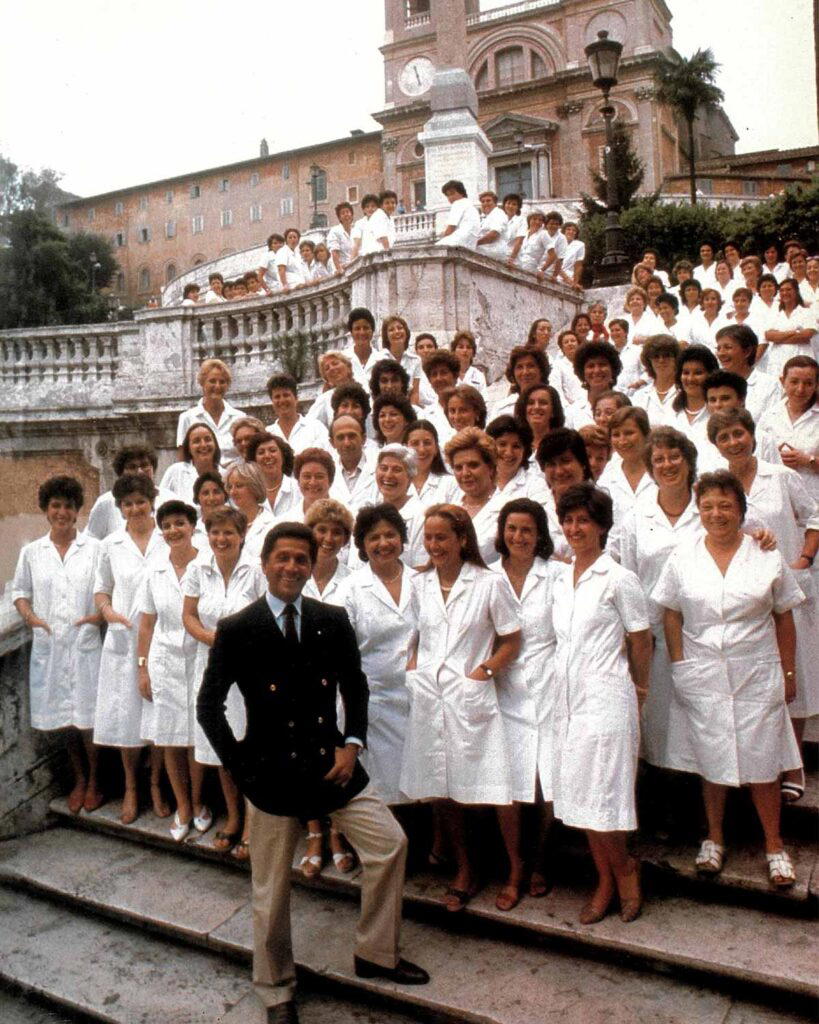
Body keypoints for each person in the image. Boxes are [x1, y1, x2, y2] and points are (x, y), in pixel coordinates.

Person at [198, 522, 428, 1018]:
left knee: (390, 844)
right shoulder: (238, 628)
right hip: (271, 777)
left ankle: (375, 953)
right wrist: (240, 768)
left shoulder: (332, 617)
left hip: (333, 768)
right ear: (264, 563)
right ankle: (276, 988)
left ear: (312, 564)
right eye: (282, 558)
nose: (291, 567)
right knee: (270, 888)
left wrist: (352, 743)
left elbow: (356, 686)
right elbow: (209, 706)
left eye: (301, 559)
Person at [654, 471, 804, 889]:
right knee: (711, 755)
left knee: (763, 760)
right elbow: (671, 613)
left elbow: (785, 615)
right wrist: (681, 665)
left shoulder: (764, 552)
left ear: (740, 509)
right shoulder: (683, 555)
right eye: (707, 506)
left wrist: (789, 672)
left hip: (756, 668)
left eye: (725, 505)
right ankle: (714, 838)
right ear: (698, 510)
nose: (716, 513)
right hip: (702, 670)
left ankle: (775, 845)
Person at [401, 504, 521, 911]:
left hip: (472, 696)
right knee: (443, 789)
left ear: (462, 540)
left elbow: (511, 638)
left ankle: (514, 869)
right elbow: (415, 633)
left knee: (489, 788)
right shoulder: (418, 584)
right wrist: (414, 665)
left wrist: (485, 670)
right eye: (429, 538)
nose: (434, 546)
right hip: (431, 697)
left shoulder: (490, 583)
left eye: (442, 538)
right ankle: (465, 870)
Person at [552, 483, 652, 923]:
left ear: (602, 527)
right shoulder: (560, 576)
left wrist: (641, 691)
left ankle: (626, 876)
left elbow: (641, 640)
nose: (575, 528)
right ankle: (605, 880)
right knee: (584, 797)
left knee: (607, 795)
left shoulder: (620, 579)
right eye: (569, 520)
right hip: (567, 699)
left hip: (609, 697)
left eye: (584, 521)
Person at [710, 408, 819, 798]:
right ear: (716, 445)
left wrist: (804, 558)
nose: (733, 442)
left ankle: (795, 765)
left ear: (752, 435)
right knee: (762, 674)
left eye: (739, 434)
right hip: (747, 594)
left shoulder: (782, 476)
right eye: (724, 438)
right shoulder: (718, 487)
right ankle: (764, 761)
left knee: (798, 674)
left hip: (791, 584)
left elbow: (815, 516)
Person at [13, 475, 103, 815]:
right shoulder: (32, 552)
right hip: (51, 645)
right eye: (56, 506)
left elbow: (104, 590)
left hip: (84, 644)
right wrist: (31, 617)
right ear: (46, 510)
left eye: (68, 506)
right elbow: (20, 592)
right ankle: (79, 778)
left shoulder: (94, 549)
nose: (62, 512)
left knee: (87, 718)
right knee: (64, 721)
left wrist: (97, 616)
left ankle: (94, 780)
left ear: (77, 511)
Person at [182, 507, 265, 860]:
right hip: (211, 664)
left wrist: (236, 642)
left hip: (249, 669)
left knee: (248, 747)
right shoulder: (197, 569)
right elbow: (188, 614)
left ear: (242, 535)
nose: (221, 539)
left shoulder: (257, 570)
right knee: (222, 745)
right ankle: (232, 817)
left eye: (229, 533)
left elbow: (268, 613)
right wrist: (211, 638)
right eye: (215, 533)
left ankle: (251, 824)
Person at [492, 498, 562, 906]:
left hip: (551, 687)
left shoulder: (557, 575)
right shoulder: (486, 576)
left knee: (548, 782)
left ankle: (540, 860)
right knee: (511, 785)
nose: (518, 537)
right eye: (512, 529)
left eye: (527, 530)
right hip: (504, 690)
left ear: (539, 536)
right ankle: (515, 867)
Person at [92, 473, 166, 824]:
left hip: (161, 638)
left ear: (152, 501)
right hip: (124, 639)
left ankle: (155, 785)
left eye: (141, 501)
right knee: (126, 718)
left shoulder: (168, 537)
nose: (136, 508)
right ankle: (132, 787)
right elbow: (101, 589)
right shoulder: (110, 545)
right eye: (128, 503)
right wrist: (108, 612)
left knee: (159, 714)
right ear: (120, 509)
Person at [136, 500, 206, 842]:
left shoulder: (206, 567)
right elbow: (146, 624)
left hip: (200, 660)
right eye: (167, 525)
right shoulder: (154, 571)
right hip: (164, 662)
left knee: (196, 738)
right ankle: (183, 807)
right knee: (170, 739)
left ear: (193, 526)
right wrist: (142, 668)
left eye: (180, 523)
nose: (173, 530)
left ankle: (199, 802)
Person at [344, 503, 417, 806]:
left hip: (418, 698)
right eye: (374, 537)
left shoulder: (423, 581)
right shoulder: (350, 589)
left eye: (390, 535)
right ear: (361, 544)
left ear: (402, 538)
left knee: (421, 786)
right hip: (376, 701)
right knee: (383, 790)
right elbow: (344, 652)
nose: (383, 543)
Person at [299, 500, 356, 880]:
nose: (329, 539)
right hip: (298, 679)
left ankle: (338, 833)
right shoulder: (293, 571)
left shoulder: (354, 578)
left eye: (337, 532)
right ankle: (314, 833)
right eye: (322, 530)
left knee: (335, 759)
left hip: (336, 680)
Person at [757, 356, 819, 502]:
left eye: (808, 383)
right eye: (794, 381)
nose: (800, 389)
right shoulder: (769, 416)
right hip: (777, 500)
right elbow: (756, 460)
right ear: (782, 381)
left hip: (814, 500)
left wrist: (808, 460)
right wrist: (774, 458)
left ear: (816, 385)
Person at [85, 445, 174, 541]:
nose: (140, 471)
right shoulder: (106, 502)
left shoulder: (170, 499)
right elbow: (91, 541)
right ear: (121, 472)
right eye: (132, 467)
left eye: (144, 465)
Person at [445, 427, 505, 565]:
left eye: (473, 465)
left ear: (490, 467)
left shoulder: (505, 508)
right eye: (458, 468)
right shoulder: (449, 507)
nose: (465, 473)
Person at [176, 359, 246, 467]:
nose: (217, 386)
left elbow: (246, 454)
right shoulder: (187, 418)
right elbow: (183, 462)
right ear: (202, 383)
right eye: (212, 381)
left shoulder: (240, 418)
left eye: (222, 382)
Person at [597, 407, 656, 524]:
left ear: (646, 434)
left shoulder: (662, 469)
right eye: (616, 435)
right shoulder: (608, 474)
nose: (622, 441)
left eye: (629, 433)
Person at [371, 444, 426, 567]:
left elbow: (420, 568)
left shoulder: (421, 517)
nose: (388, 475)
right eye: (383, 468)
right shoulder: (367, 512)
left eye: (397, 470)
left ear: (410, 477)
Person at [715, 323, 781, 423]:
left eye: (727, 347)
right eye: (718, 348)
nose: (721, 353)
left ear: (747, 351)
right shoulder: (714, 383)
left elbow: (772, 425)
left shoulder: (769, 385)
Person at [671, 344, 719, 460]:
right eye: (686, 373)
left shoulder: (719, 412)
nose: (690, 379)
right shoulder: (670, 412)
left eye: (698, 373)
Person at [761, 279, 816, 378]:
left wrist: (779, 337)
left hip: (801, 358)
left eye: (788, 289)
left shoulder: (807, 312)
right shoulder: (774, 314)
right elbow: (769, 336)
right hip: (778, 359)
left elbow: (806, 336)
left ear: (796, 291)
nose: (784, 293)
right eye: (781, 290)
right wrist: (795, 332)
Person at [224, 462, 277, 562]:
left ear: (254, 486)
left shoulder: (272, 524)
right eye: (230, 487)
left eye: (239, 486)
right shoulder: (227, 521)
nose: (233, 492)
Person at [266, 374, 329, 455]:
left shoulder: (316, 428)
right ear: (272, 402)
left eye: (286, 395)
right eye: (277, 397)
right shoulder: (268, 433)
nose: (282, 400)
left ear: (296, 399)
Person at [160, 423, 221, 504]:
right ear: (188, 448)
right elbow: (159, 501)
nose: (203, 445)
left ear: (215, 444)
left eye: (207, 439)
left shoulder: (226, 475)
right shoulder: (176, 472)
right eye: (196, 441)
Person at [403, 419, 458, 508]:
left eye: (427, 443)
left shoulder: (451, 483)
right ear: (405, 448)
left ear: (436, 448)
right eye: (415, 443)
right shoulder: (397, 483)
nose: (422, 449)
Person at [329, 414, 377, 513]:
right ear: (332, 443)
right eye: (340, 437)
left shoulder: (379, 470)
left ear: (363, 439)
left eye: (352, 436)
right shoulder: (326, 473)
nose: (346, 443)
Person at [246, 433, 302, 518]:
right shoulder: (249, 493)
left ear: (283, 456)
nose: (267, 456)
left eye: (272, 450)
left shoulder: (298, 488)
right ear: (254, 460)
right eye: (261, 452)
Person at [492, 345, 552, 419]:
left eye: (531, 366)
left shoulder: (553, 404)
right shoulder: (501, 409)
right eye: (519, 367)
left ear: (541, 370)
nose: (525, 372)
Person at [632, 335, 680, 425]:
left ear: (676, 359)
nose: (661, 360)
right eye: (656, 356)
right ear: (649, 361)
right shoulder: (639, 396)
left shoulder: (685, 393)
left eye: (667, 355)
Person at [513, 383, 564, 461]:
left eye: (543, 403)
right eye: (530, 403)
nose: (536, 407)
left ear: (553, 411)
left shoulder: (564, 445)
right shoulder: (515, 446)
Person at [307, 351, 356, 430]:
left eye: (335, 363)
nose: (332, 368)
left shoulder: (367, 390)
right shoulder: (324, 400)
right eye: (327, 368)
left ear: (348, 367)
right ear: (327, 380)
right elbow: (309, 426)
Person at [381, 315, 422, 405]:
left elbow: (415, 393)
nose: (397, 332)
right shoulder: (379, 358)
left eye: (400, 328)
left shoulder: (416, 360)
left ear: (406, 332)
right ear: (386, 336)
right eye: (391, 330)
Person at [346, 307, 389, 389]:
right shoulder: (342, 360)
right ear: (351, 332)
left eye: (366, 328)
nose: (362, 332)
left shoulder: (383, 360)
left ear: (372, 331)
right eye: (357, 329)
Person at [290, 448, 336, 523]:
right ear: (298, 480)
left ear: (330, 481)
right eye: (307, 476)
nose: (312, 482)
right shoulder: (285, 521)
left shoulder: (348, 519)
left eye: (319, 476)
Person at [436, 179, 480, 249]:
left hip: (460, 240)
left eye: (452, 193)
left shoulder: (458, 203)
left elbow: (451, 229)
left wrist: (443, 238)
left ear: (461, 193)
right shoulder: (471, 206)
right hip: (471, 244)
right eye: (448, 195)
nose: (450, 197)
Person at [688, 288, 726, 353]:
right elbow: (689, 340)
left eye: (713, 299)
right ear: (702, 303)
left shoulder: (726, 321)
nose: (710, 302)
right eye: (706, 299)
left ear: (718, 302)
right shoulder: (694, 320)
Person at [476, 190, 510, 261]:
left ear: (495, 203)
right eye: (483, 201)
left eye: (488, 201)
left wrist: (474, 243)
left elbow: (493, 235)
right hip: (485, 251)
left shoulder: (499, 214)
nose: (485, 203)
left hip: (493, 253)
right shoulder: (487, 218)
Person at [327, 202, 355, 274]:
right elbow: (334, 251)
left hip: (355, 268)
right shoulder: (335, 231)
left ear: (351, 214)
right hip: (342, 270)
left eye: (347, 212)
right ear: (339, 218)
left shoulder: (356, 230)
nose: (346, 215)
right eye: (342, 213)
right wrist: (339, 268)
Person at [558, 221, 585, 290]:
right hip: (555, 275)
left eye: (574, 230)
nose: (571, 232)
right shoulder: (557, 243)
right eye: (568, 229)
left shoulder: (580, 245)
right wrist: (567, 280)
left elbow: (578, 265)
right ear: (564, 231)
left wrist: (575, 282)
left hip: (570, 277)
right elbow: (555, 263)